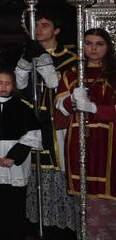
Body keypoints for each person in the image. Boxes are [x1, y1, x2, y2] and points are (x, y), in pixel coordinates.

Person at [14, 10, 78, 235]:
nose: (39, 30)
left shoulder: (70, 59)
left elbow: (55, 84)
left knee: (57, 166)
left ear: (57, 30)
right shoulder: (29, 52)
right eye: (37, 25)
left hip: (55, 121)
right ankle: (36, 223)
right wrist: (24, 62)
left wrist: (42, 59)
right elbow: (19, 85)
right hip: (31, 118)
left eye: (45, 25)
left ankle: (60, 226)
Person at [56, 28, 116, 239]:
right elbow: (59, 115)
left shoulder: (113, 74)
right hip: (81, 144)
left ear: (108, 47)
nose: (93, 48)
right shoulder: (72, 75)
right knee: (86, 199)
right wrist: (71, 100)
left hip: (110, 144)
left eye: (99, 43)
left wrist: (94, 109)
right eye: (88, 43)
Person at [0, 68, 41, 240]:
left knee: (14, 202)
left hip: (14, 162)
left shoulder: (23, 108)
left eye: (8, 83)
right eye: (0, 83)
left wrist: (13, 157)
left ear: (14, 85)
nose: (3, 87)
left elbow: (32, 135)